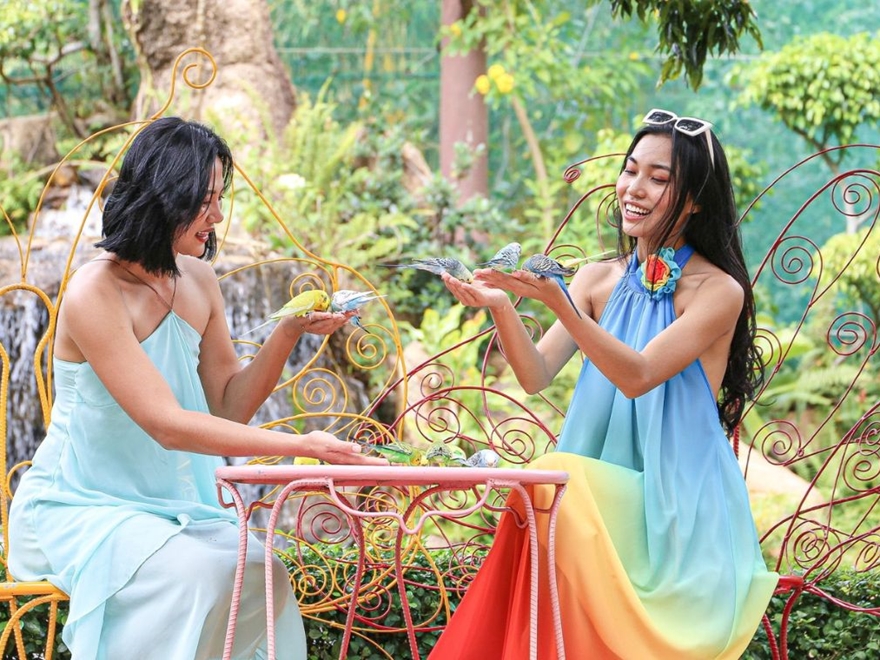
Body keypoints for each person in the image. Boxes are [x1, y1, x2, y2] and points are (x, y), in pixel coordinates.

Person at [8, 116, 387, 660]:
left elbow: (228, 409)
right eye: (205, 201)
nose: (218, 216)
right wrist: (304, 446)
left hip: (173, 509)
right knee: (204, 575)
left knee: (265, 574)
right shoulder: (96, 292)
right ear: (164, 197)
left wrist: (287, 332)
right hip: (82, 504)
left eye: (219, 199)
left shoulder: (199, 279)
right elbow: (166, 425)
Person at [431, 109, 779, 659]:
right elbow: (535, 375)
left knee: (554, 480)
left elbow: (638, 376)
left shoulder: (717, 291)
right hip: (594, 492)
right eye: (630, 170)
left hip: (674, 501)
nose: (634, 188)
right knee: (549, 488)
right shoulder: (597, 278)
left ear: (695, 200)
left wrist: (561, 305)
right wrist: (501, 306)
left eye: (658, 179)